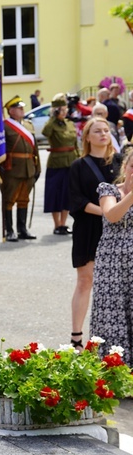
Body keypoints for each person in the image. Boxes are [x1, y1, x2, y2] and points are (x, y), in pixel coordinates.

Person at [68, 117, 120, 352]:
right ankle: (77, 336)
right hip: (89, 227)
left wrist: (114, 215)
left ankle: (115, 337)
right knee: (85, 281)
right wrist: (106, 212)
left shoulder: (120, 162)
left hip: (118, 229)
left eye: (105, 130)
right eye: (96, 131)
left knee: (117, 285)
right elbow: (76, 200)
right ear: (87, 137)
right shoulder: (79, 165)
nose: (102, 134)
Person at [90, 149, 133, 363]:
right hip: (112, 262)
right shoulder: (108, 190)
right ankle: (114, 367)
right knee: (111, 313)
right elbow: (112, 215)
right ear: (125, 167)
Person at [1, 95, 40, 242]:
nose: (22, 109)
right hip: (12, 168)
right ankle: (9, 230)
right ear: (10, 111)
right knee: (9, 199)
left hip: (28, 167)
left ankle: (22, 229)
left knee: (24, 199)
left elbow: (35, 148)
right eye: (18, 108)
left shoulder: (28, 125)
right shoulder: (4, 126)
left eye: (22, 107)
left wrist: (37, 168)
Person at [42, 93, 79, 235]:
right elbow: (46, 133)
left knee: (67, 194)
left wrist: (80, 158)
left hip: (71, 161)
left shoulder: (70, 124)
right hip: (56, 163)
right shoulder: (51, 124)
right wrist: (53, 118)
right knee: (55, 194)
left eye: (65, 110)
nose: (64, 112)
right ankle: (56, 224)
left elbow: (75, 143)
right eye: (61, 110)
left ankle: (64, 224)